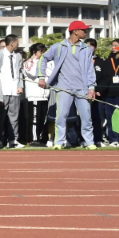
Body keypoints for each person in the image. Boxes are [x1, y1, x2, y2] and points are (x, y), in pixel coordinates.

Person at [39, 20, 97, 149]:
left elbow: (90, 69)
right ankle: (59, 142)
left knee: (86, 116)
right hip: (63, 87)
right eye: (84, 30)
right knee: (61, 116)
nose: (86, 32)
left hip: (82, 88)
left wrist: (91, 87)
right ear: (75, 31)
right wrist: (41, 77)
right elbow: (44, 58)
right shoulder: (58, 46)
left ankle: (89, 142)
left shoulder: (87, 49)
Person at [97, 38, 119, 147]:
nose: (113, 47)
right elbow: (104, 78)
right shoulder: (108, 61)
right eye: (112, 45)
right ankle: (113, 139)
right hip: (110, 93)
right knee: (111, 117)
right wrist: (99, 90)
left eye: (116, 45)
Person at [0, 35, 24, 148]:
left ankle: (13, 140)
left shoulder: (18, 56)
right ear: (12, 43)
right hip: (3, 89)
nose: (18, 45)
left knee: (14, 117)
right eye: (17, 42)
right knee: (0, 117)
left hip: (14, 89)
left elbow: (20, 72)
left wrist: (20, 85)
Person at [21, 43, 52, 146]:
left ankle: (41, 138)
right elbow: (34, 73)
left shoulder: (47, 63)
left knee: (42, 119)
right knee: (34, 119)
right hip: (34, 95)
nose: (42, 54)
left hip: (45, 95)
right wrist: (36, 60)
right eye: (40, 52)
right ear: (34, 52)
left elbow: (50, 76)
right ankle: (33, 139)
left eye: (44, 52)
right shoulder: (28, 63)